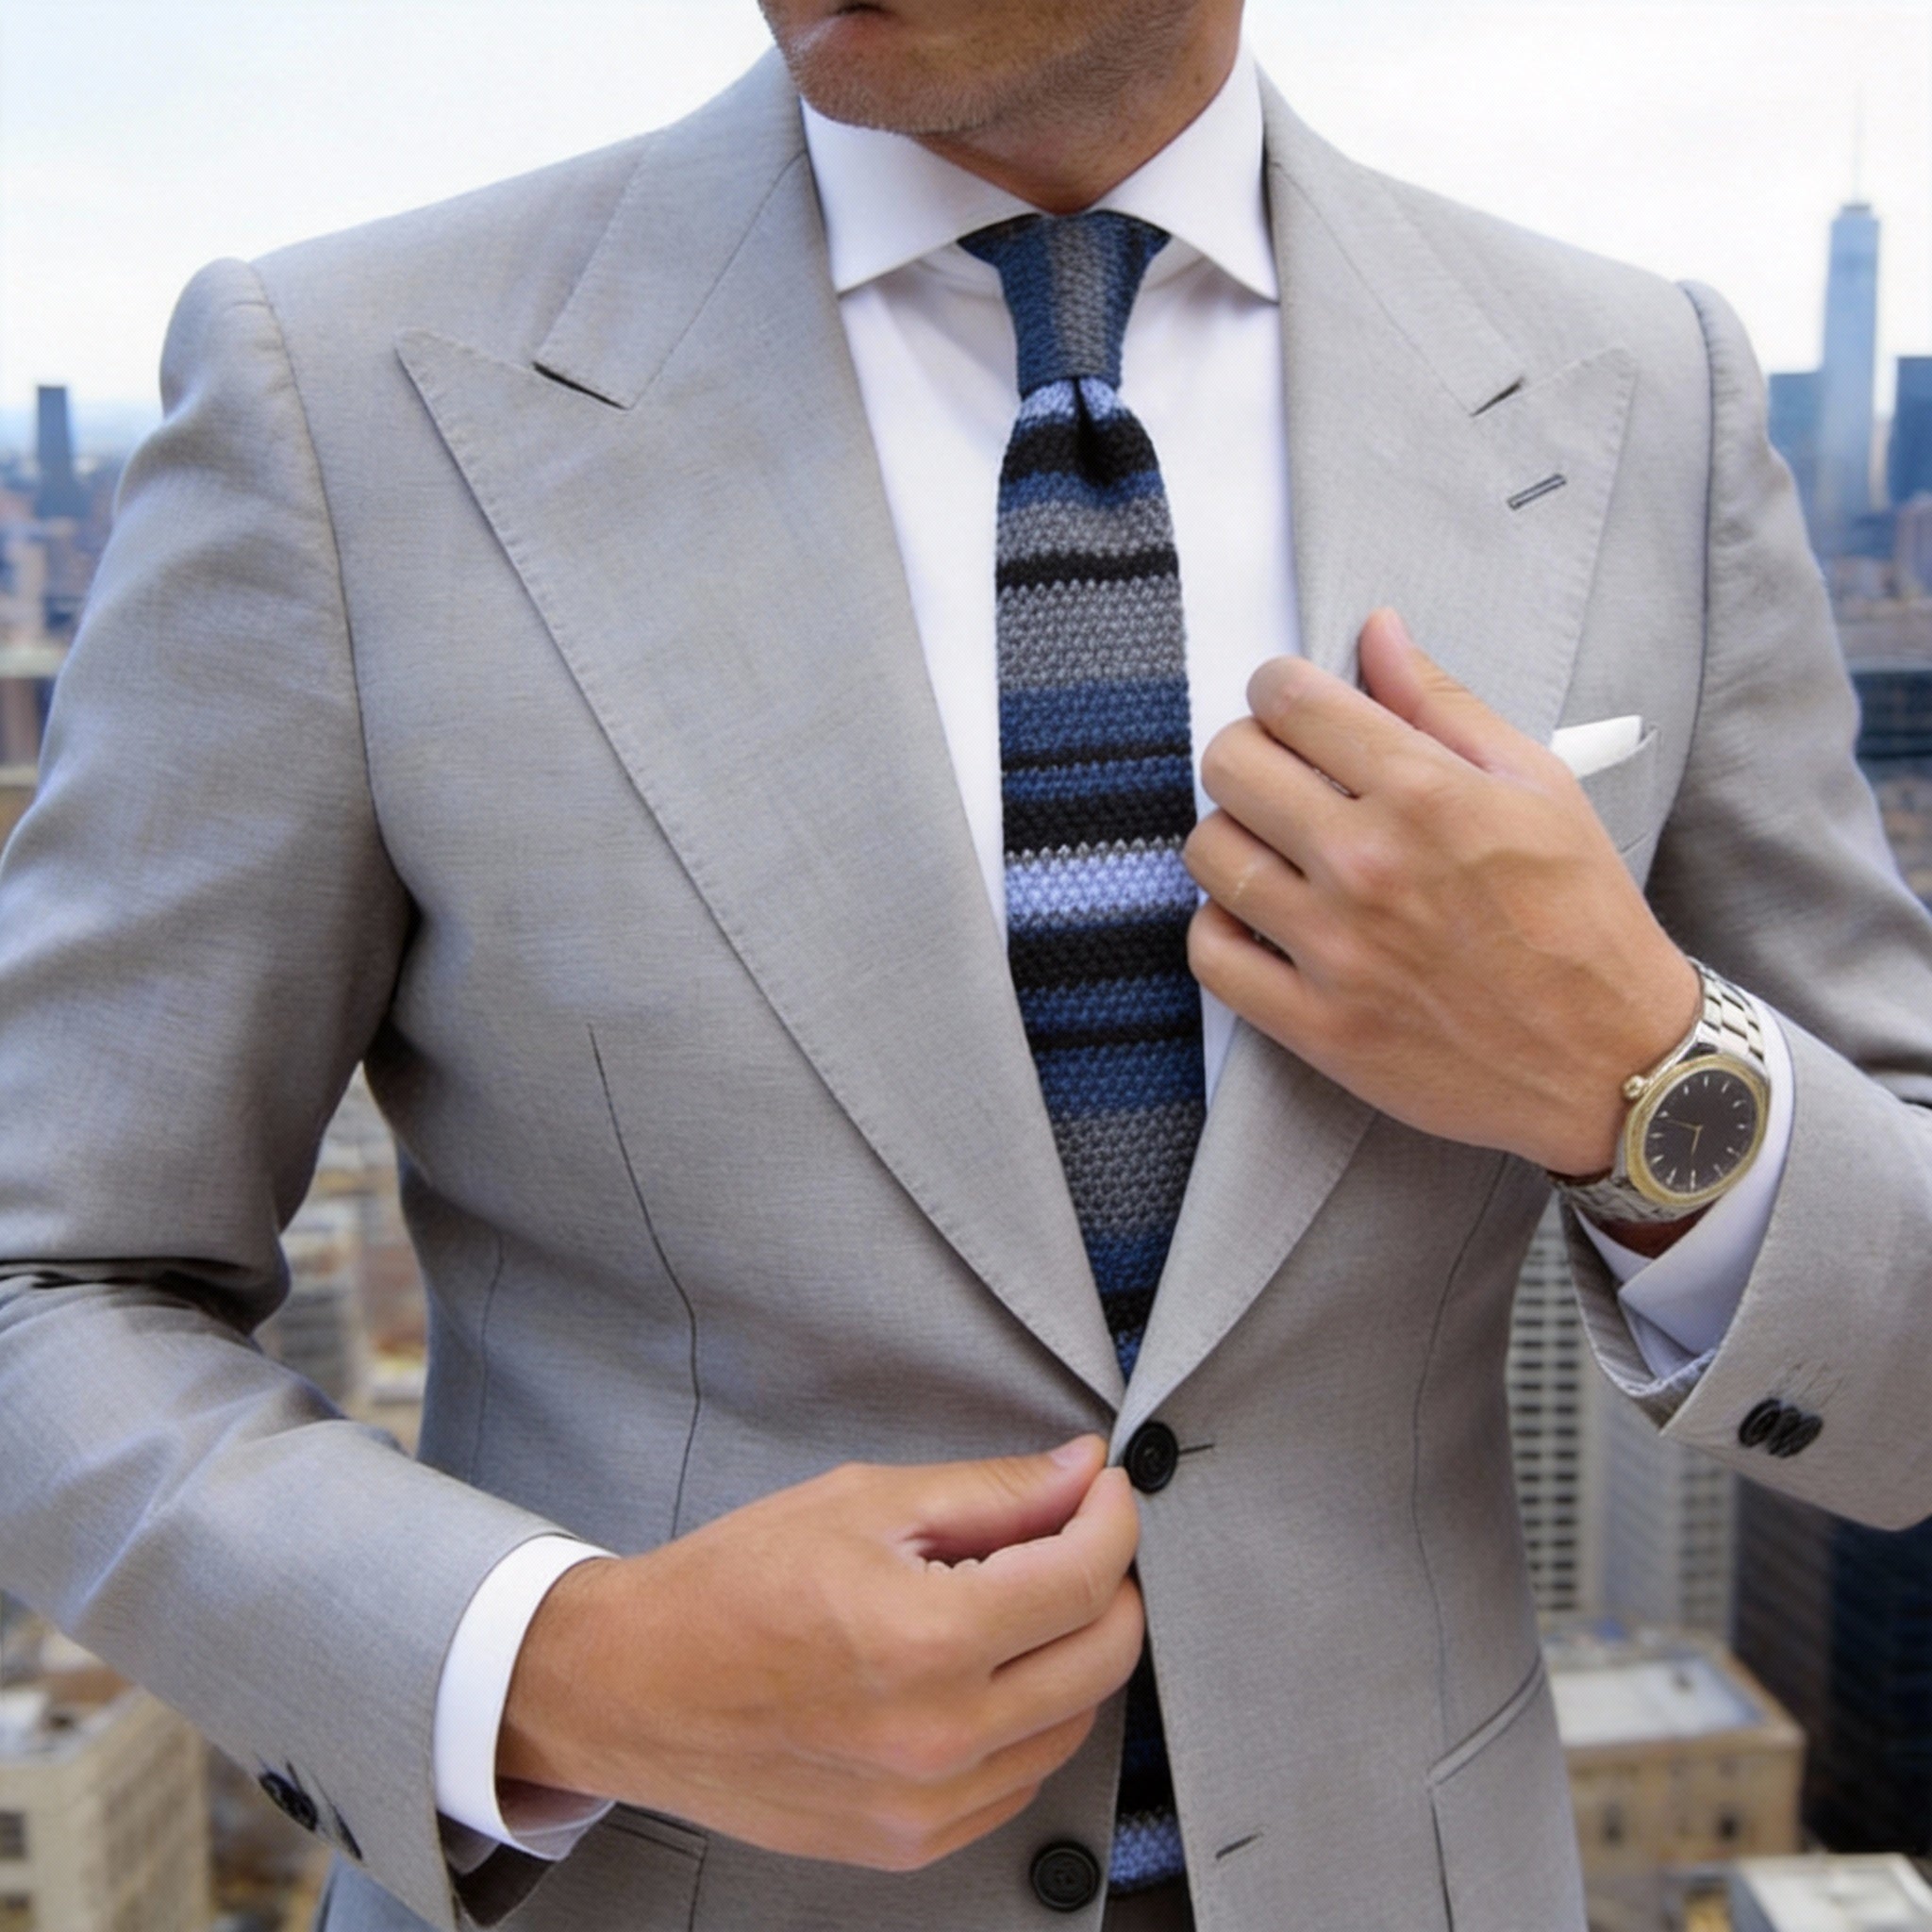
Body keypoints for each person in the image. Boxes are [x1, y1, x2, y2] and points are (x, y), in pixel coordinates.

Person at [2, 2, 1929, 1927]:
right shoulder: (341, 393)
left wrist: (1638, 1069)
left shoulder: (1638, 397)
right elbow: (48, 1279)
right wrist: (573, 1671)